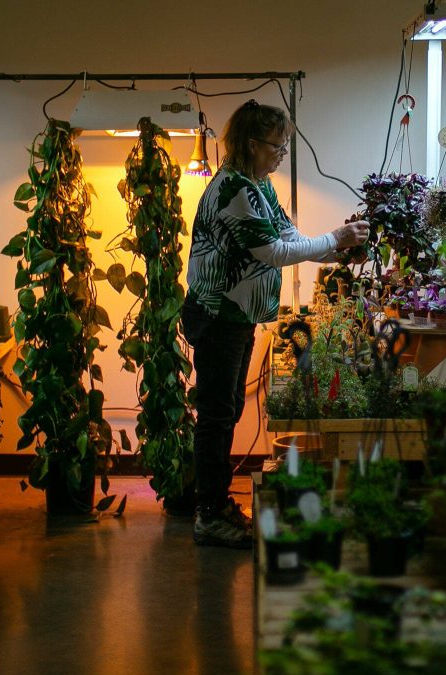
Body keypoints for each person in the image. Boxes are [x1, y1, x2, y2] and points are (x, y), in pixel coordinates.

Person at [182, 100, 368, 548]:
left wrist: (338, 250)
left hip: (237, 317)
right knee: (216, 416)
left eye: (284, 146)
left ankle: (216, 505)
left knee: (227, 412)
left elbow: (291, 239)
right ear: (251, 144)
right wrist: (335, 240)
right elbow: (273, 253)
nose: (282, 153)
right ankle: (208, 514)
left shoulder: (259, 186)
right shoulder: (233, 191)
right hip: (217, 317)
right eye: (276, 146)